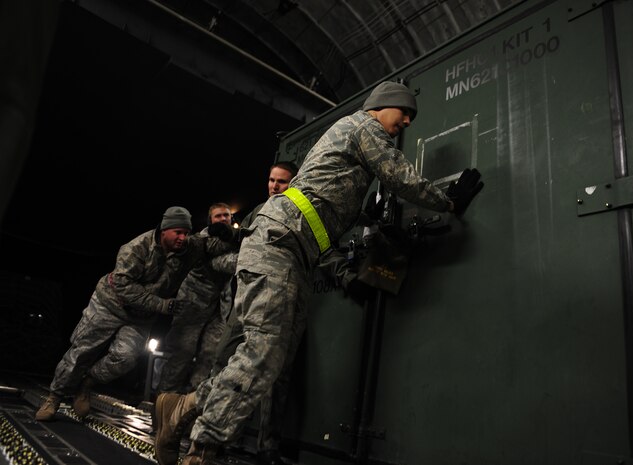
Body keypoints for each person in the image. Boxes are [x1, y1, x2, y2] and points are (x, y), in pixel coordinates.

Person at [154, 81, 484, 465]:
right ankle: (203, 449)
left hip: (291, 254)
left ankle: (184, 407)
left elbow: (326, 195)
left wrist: (365, 214)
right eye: (404, 111)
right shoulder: (366, 126)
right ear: (383, 106)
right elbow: (396, 175)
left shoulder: (353, 137)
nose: (407, 120)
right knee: (264, 353)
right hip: (277, 245)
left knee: (269, 357)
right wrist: (446, 200)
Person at [35, 206, 237, 422]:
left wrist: (229, 232)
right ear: (163, 230)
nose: (182, 238)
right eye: (177, 232)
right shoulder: (136, 248)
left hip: (140, 317)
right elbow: (123, 286)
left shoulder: (189, 247)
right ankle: (54, 397)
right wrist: (161, 305)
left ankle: (87, 384)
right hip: (110, 305)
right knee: (81, 352)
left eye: (186, 233)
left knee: (126, 358)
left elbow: (211, 245)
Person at [210, 161, 300, 465]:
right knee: (224, 360)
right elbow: (243, 241)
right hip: (248, 295)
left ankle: (267, 447)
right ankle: (216, 436)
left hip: (280, 296)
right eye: (272, 180)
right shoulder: (259, 209)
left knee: (275, 373)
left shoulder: (300, 210)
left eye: (282, 182)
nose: (274, 186)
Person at [157, 203, 236, 394]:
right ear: (210, 221)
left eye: (226, 215)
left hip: (219, 307)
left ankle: (192, 405)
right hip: (193, 303)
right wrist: (240, 243)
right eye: (218, 216)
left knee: (211, 354)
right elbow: (220, 260)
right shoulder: (202, 240)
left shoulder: (236, 238)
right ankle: (164, 400)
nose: (223, 219)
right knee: (182, 352)